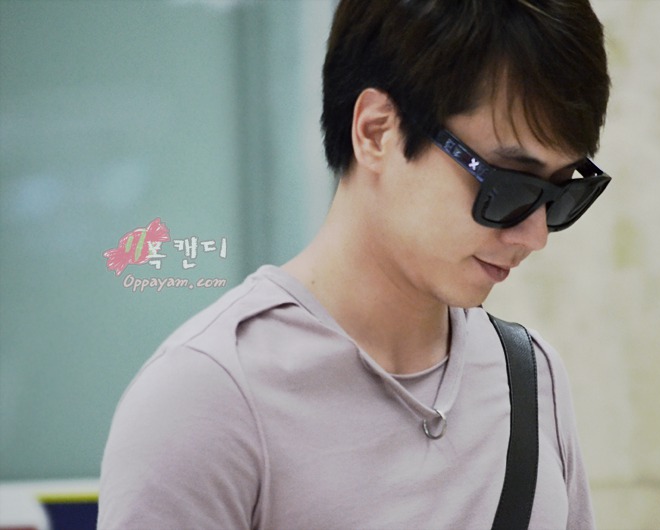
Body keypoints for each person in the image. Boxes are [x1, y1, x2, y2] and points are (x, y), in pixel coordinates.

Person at [98, 0, 611, 528]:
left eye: (561, 195)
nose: (535, 235)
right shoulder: (209, 397)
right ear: (376, 132)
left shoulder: (529, 378)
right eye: (509, 187)